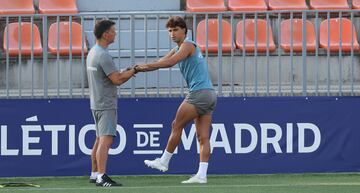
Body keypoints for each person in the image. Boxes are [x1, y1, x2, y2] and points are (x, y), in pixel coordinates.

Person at [134, 16, 217, 184]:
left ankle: (164, 161)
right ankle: (202, 175)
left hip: (199, 93)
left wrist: (144, 66)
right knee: (202, 137)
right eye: (170, 31)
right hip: (209, 94)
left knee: (176, 125)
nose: (172, 34)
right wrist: (140, 69)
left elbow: (170, 63)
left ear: (184, 31)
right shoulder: (179, 47)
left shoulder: (187, 45)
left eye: (175, 30)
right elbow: (161, 62)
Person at [86, 19, 135, 187]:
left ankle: (94, 174)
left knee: (99, 139)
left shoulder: (93, 52)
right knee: (106, 141)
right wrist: (133, 71)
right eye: (113, 31)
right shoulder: (103, 55)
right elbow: (117, 79)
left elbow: (109, 75)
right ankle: (101, 176)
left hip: (96, 101)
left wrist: (124, 72)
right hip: (106, 103)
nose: (116, 33)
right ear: (106, 34)